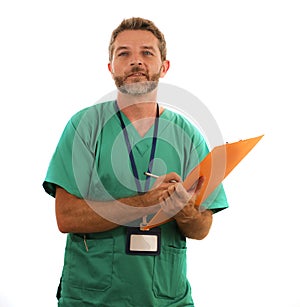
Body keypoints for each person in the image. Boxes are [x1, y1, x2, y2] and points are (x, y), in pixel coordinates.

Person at [43, 17, 228, 307]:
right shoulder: (84, 127)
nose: (136, 61)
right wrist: (145, 203)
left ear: (164, 67)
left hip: (166, 299)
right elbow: (66, 217)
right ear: (111, 67)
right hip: (92, 299)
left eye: (147, 53)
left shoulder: (188, 136)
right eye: (124, 53)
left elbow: (202, 228)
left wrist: (182, 210)